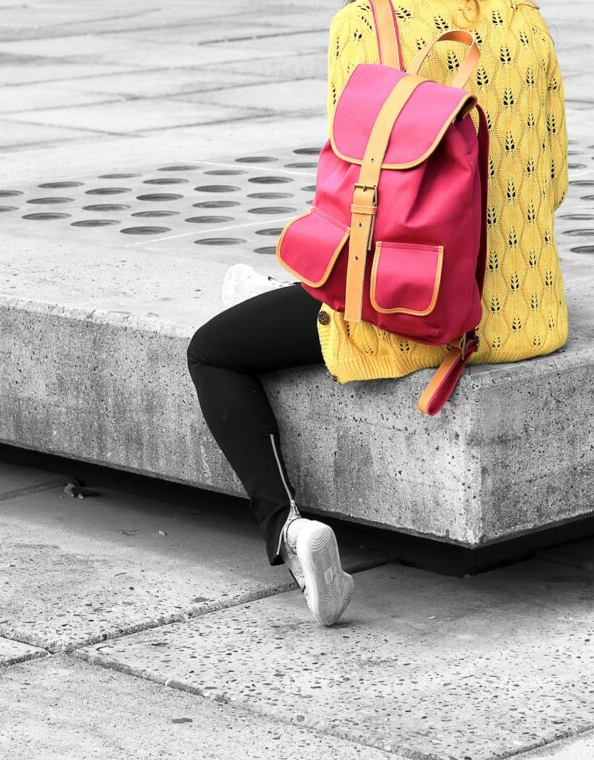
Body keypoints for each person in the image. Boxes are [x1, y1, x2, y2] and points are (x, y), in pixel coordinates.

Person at [186, 0, 569, 626]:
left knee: (212, 351)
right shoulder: (525, 20)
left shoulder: (366, 22)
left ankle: (287, 528)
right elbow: (553, 181)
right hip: (530, 311)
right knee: (276, 299)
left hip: (418, 311)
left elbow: (355, 187)